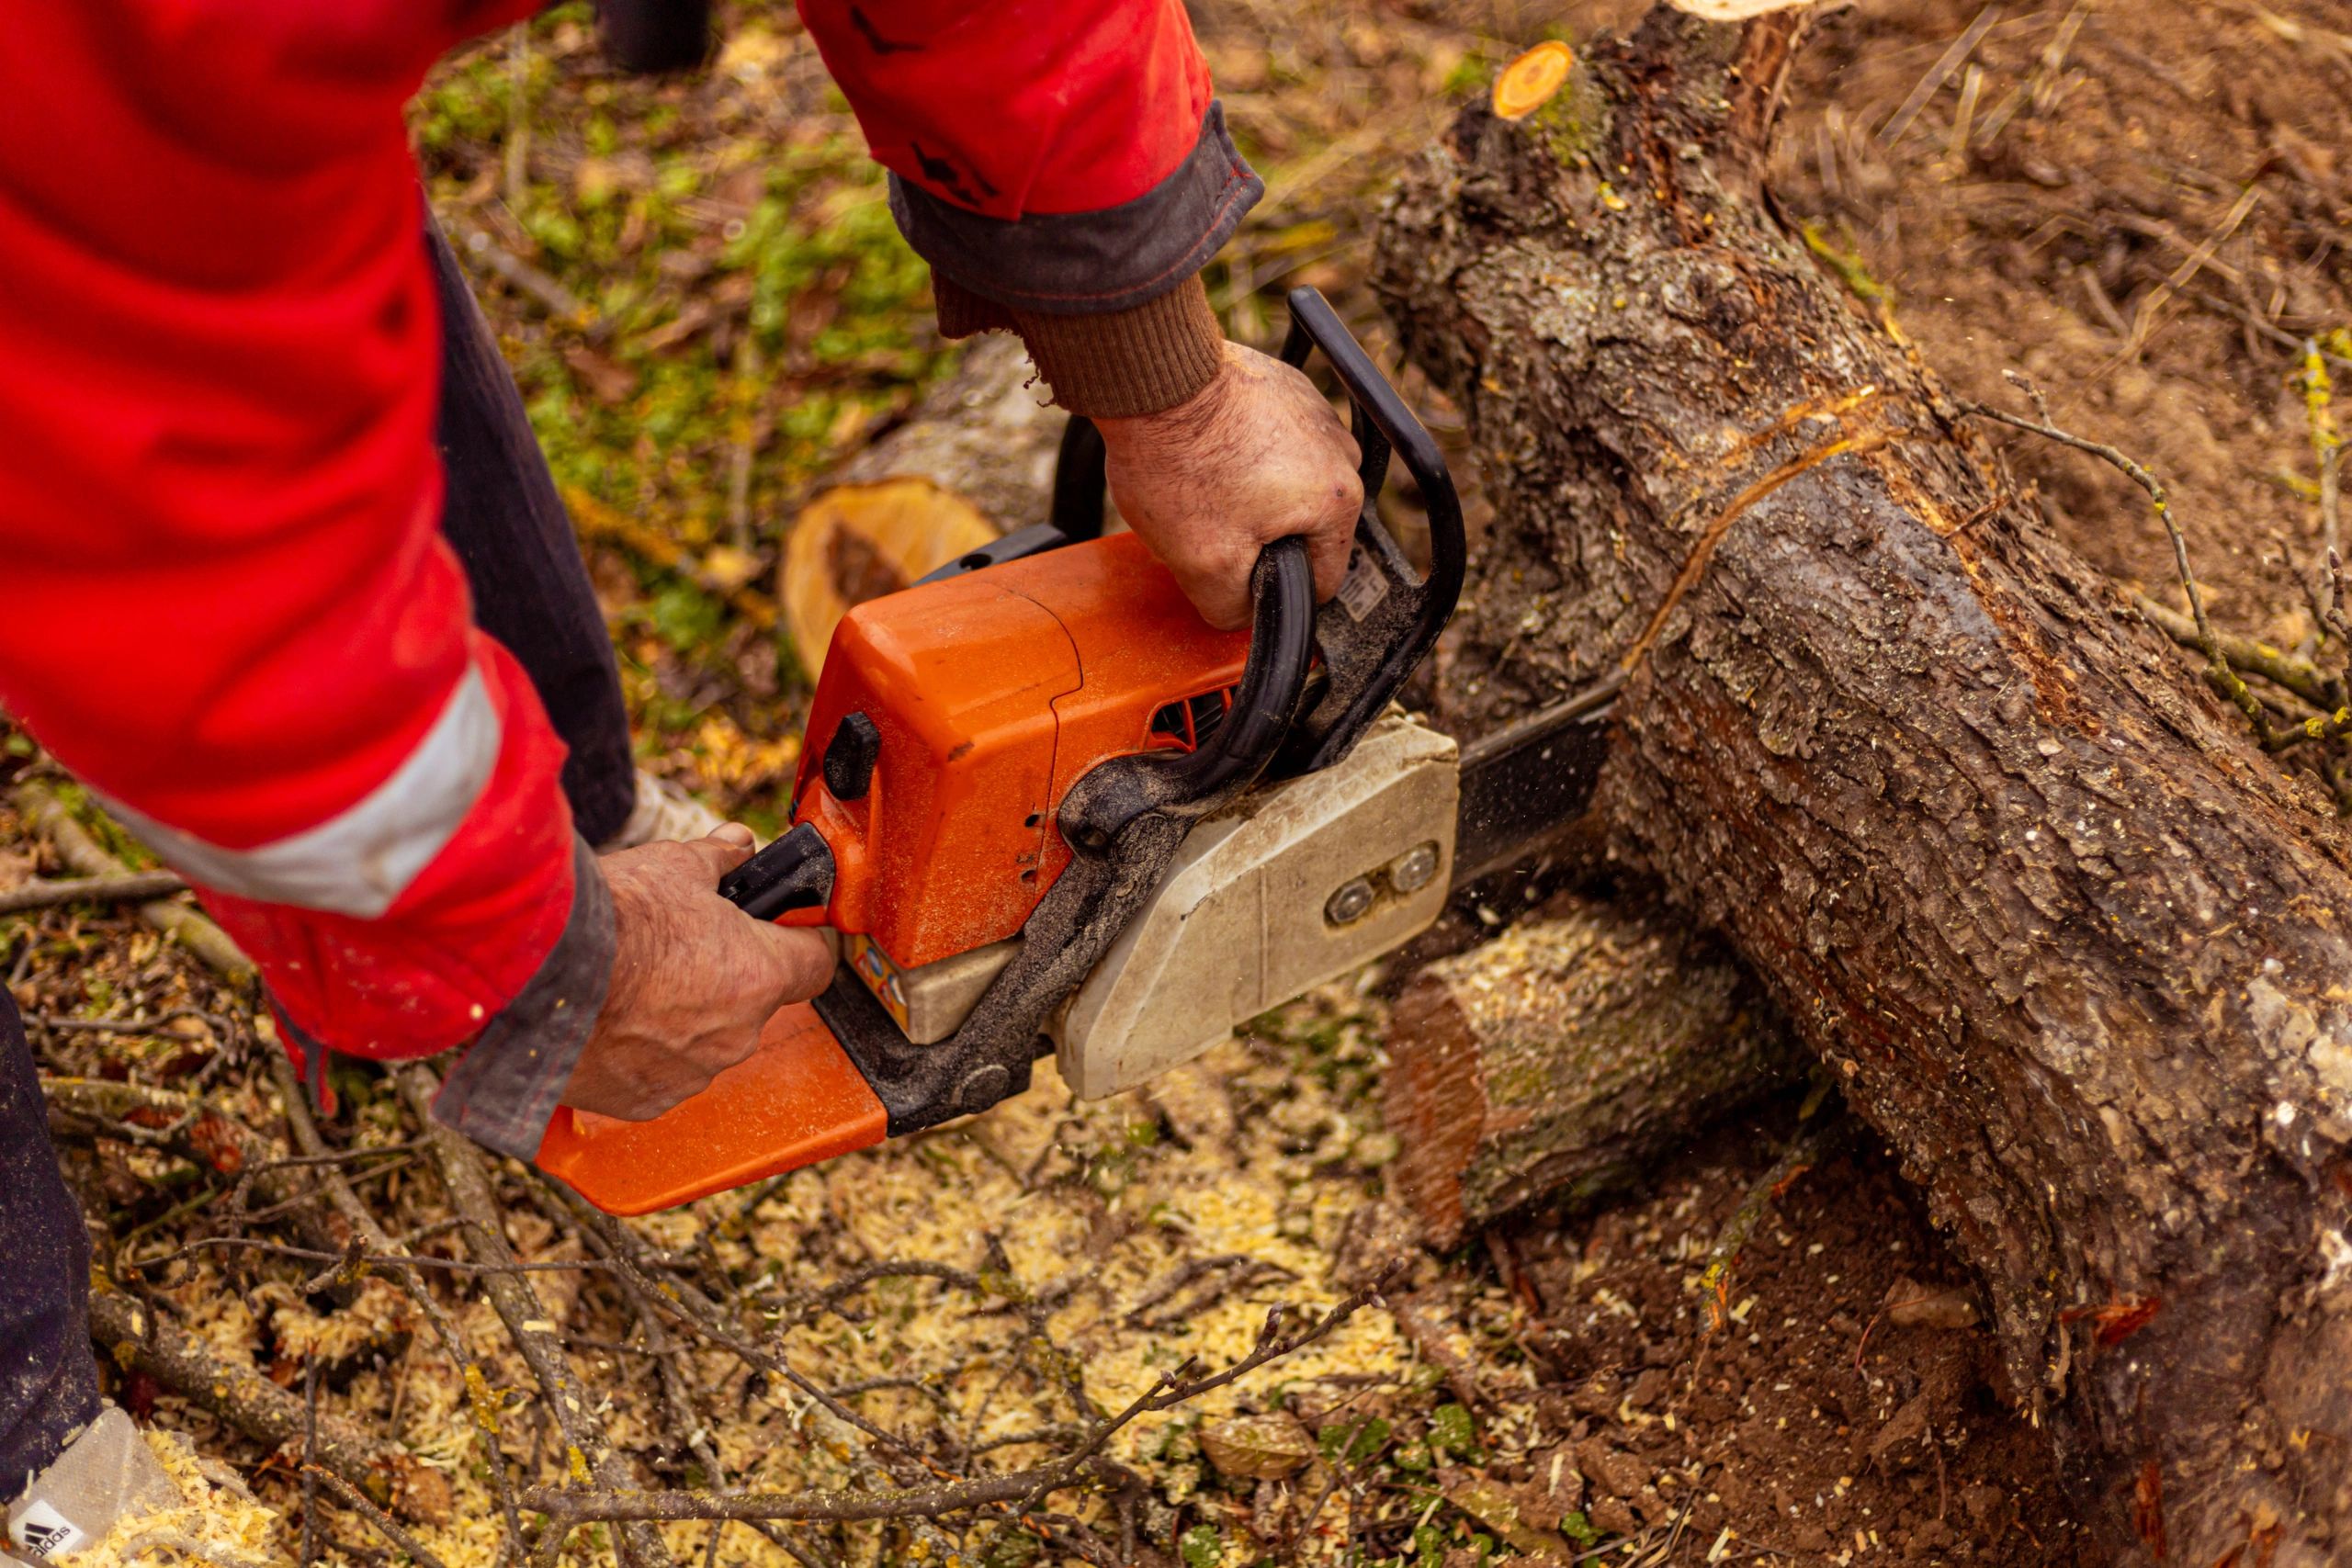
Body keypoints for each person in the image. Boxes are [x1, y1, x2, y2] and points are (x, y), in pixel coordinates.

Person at [0, 0, 1365, 1547]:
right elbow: (177, 548)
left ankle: (560, 829)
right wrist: (534, 958)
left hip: (183, 136)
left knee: (286, 195)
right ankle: (19, 1439)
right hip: (66, 164)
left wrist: (1161, 372)